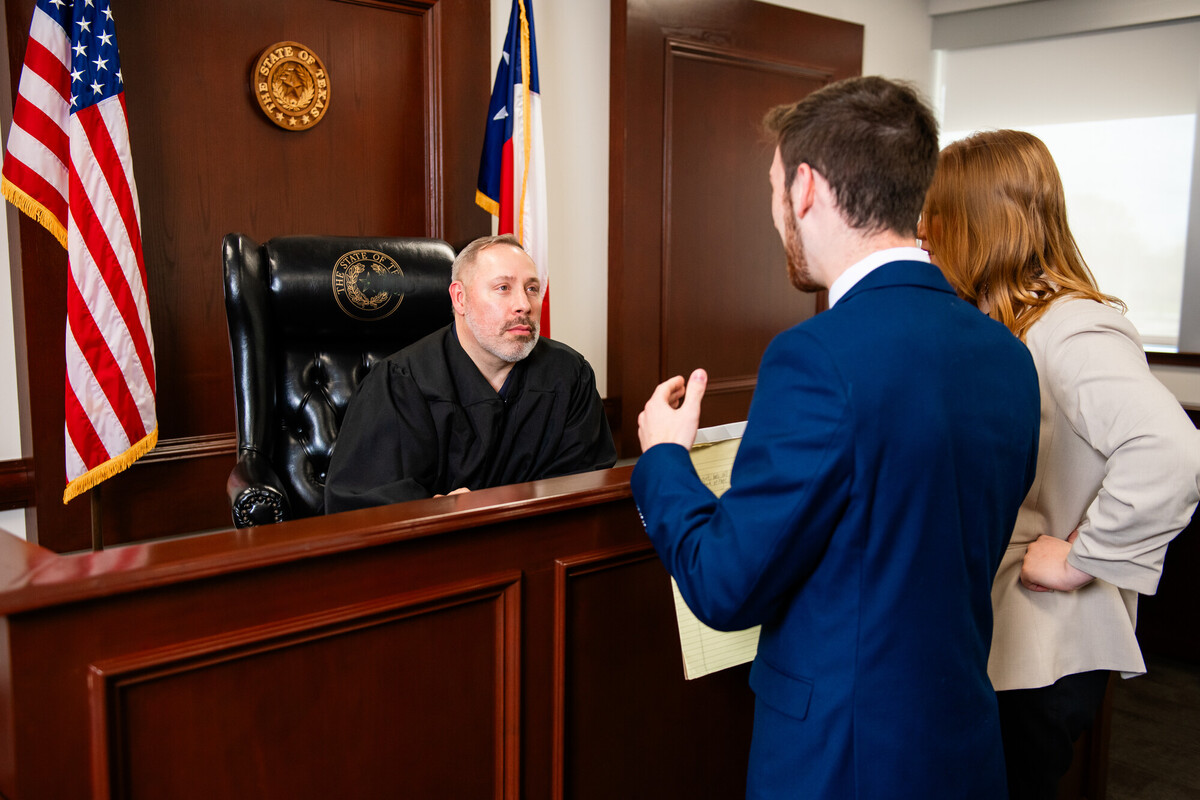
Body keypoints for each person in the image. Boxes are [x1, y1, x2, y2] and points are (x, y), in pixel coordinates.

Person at [632, 76, 1041, 799]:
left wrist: (664, 456)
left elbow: (726, 585)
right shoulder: (1005, 352)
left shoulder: (814, 359)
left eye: (772, 188)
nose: (774, 211)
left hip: (843, 760)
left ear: (807, 188)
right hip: (963, 745)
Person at [919, 128, 1200, 799]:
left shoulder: (1071, 331)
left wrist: (1080, 557)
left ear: (978, 224)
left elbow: (1173, 452)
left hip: (1041, 651)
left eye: (937, 215)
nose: (923, 231)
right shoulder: (1004, 325)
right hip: (1004, 642)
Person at [324, 234, 617, 513]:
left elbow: (587, 486)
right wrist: (437, 510)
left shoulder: (569, 375)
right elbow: (362, 504)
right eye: (503, 288)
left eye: (532, 289)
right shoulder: (399, 382)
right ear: (460, 299)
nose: (524, 306)